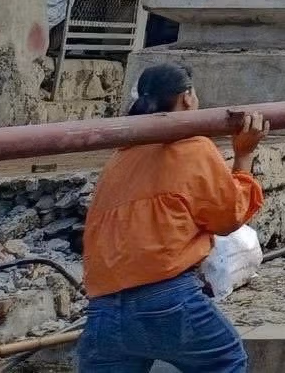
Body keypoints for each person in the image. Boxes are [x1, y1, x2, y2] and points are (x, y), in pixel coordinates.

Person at [78, 63, 268, 373]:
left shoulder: (121, 156)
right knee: (225, 360)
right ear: (187, 97)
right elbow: (228, 217)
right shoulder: (192, 148)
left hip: (104, 306)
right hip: (166, 297)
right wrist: (244, 155)